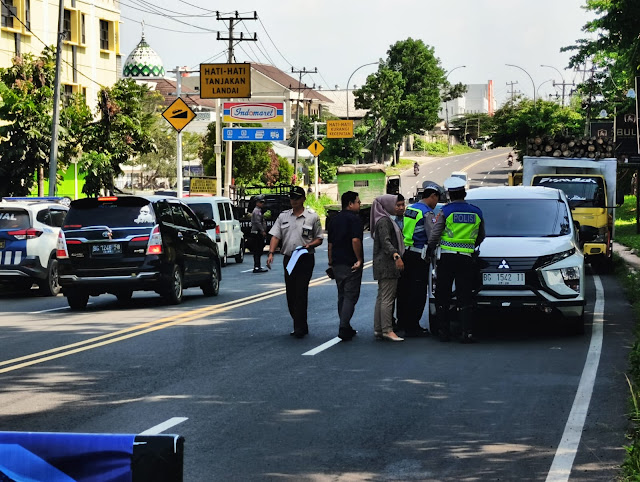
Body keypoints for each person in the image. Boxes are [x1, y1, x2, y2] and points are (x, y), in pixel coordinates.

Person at [428, 176, 485, 343]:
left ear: (449, 195)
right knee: (465, 295)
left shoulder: (445, 211)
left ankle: (444, 332)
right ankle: (466, 332)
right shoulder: (477, 211)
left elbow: (435, 234)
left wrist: (431, 248)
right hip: (467, 259)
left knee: (443, 294)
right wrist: (469, 245)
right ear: (465, 193)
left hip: (446, 258)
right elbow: (481, 235)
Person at [267, 186, 323, 338]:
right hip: (290, 258)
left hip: (305, 257)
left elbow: (319, 238)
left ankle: (299, 327)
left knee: (300, 292)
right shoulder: (283, 216)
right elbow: (275, 236)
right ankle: (299, 323)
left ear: (303, 199)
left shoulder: (312, 217)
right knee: (291, 293)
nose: (293, 201)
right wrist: (271, 253)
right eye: (291, 198)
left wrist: (310, 245)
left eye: (297, 198)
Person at [395, 182, 442, 337]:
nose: (436, 203)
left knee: (404, 290)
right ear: (432, 196)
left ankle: (402, 322)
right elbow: (432, 236)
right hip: (419, 255)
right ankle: (413, 326)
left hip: (405, 252)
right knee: (418, 292)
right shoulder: (427, 213)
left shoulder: (411, 208)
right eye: (437, 199)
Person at [327, 191, 364, 341]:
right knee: (350, 295)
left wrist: (330, 262)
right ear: (350, 204)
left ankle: (345, 325)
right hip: (350, 263)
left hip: (337, 262)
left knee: (341, 294)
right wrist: (359, 259)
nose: (359, 204)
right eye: (358, 202)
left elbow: (330, 244)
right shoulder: (354, 220)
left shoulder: (333, 220)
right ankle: (343, 326)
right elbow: (355, 240)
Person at [371, 194, 406, 342]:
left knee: (382, 297)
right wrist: (396, 256)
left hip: (382, 263)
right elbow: (386, 242)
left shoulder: (383, 219)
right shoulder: (384, 221)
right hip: (387, 264)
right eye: (396, 204)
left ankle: (379, 329)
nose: (399, 207)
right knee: (387, 298)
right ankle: (387, 330)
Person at [250, 195, 268, 273]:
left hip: (257, 233)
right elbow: (257, 222)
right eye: (261, 202)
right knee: (257, 250)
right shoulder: (257, 211)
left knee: (259, 250)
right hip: (256, 233)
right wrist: (262, 230)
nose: (262, 204)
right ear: (257, 203)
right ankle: (257, 267)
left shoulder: (258, 210)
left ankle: (258, 266)